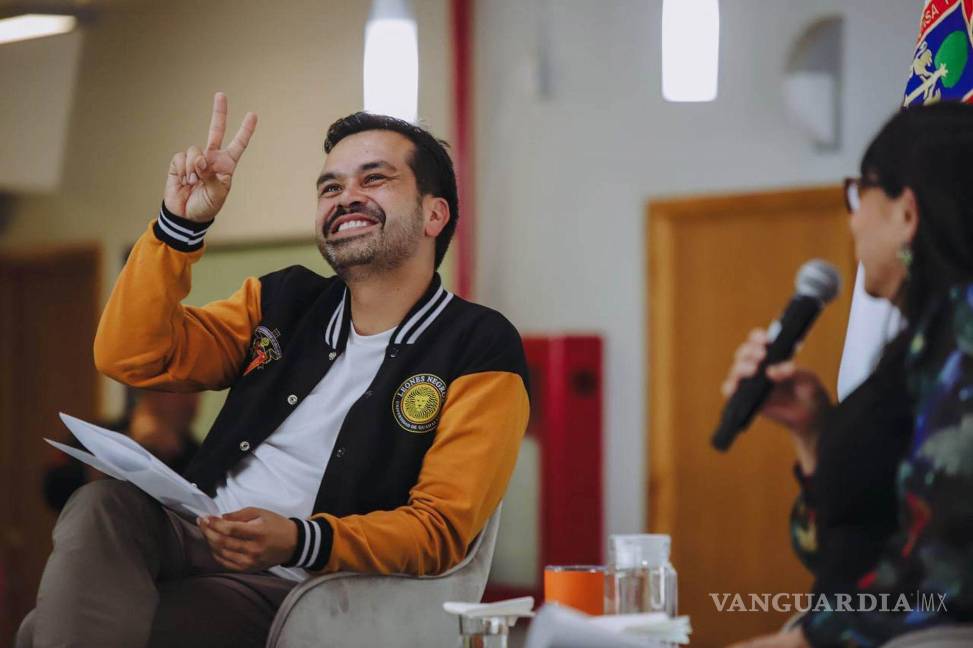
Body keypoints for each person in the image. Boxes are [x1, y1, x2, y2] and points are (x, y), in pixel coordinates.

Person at [17, 93, 530, 648]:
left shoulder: (477, 345)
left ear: (435, 214)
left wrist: (300, 539)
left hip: (306, 584)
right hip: (198, 531)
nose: (346, 197)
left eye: (374, 179)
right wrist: (179, 226)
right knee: (100, 504)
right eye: (330, 187)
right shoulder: (283, 301)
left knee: (46, 629)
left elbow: (440, 530)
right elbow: (132, 355)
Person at [723, 102, 973, 648]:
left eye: (861, 194)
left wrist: (806, 641)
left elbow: (946, 575)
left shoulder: (963, 338)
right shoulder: (919, 346)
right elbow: (844, 549)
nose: (854, 219)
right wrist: (812, 431)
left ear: (906, 213)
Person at [43, 390, 201, 511]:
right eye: (181, 390)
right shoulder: (96, 435)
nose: (191, 401)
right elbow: (54, 490)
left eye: (197, 391)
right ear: (152, 392)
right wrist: (133, 446)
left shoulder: (197, 455)